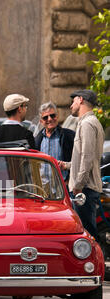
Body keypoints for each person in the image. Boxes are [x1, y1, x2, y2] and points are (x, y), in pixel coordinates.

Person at [58, 89, 104, 239]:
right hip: (85, 188)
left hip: (84, 189)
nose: (71, 105)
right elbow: (84, 158)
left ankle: (96, 262)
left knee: (86, 235)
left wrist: (78, 185)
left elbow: (87, 158)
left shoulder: (87, 124)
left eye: (73, 101)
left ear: (81, 100)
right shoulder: (88, 122)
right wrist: (67, 165)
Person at [35, 101, 75, 181]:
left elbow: (77, 161)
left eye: (52, 116)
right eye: (45, 117)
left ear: (57, 116)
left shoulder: (69, 136)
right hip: (43, 189)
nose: (49, 119)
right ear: (41, 121)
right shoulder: (37, 139)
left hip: (63, 187)